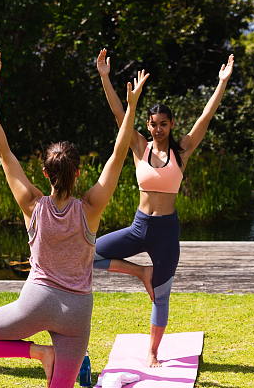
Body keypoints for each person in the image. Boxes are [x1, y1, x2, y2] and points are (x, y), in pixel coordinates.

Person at [0, 48, 146, 388]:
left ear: (45, 172)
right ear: (78, 171)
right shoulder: (92, 207)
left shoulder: (32, 204)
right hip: (77, 314)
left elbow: (4, 154)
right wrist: (132, 106)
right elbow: (121, 153)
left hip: (36, 303)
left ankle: (36, 353)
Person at [91, 49, 235, 367]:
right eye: (154, 124)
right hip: (139, 226)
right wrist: (104, 77)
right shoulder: (138, 145)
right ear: (147, 124)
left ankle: (153, 351)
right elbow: (119, 116)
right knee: (86, 253)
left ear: (171, 125)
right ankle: (141, 271)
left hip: (166, 232)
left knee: (162, 294)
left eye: (164, 124)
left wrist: (222, 83)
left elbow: (205, 118)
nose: (158, 129)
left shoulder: (182, 149)